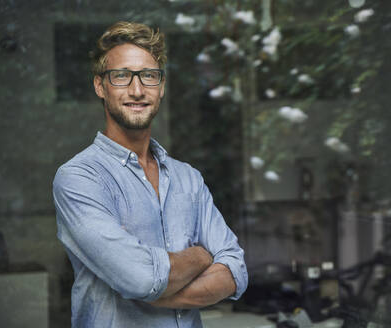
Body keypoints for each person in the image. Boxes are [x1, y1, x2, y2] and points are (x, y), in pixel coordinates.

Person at [52, 21, 248, 328]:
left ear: (162, 86)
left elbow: (236, 270)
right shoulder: (80, 178)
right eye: (121, 76)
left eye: (149, 76)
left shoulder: (188, 179)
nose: (137, 90)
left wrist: (159, 292)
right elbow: (140, 279)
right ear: (100, 86)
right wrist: (199, 256)